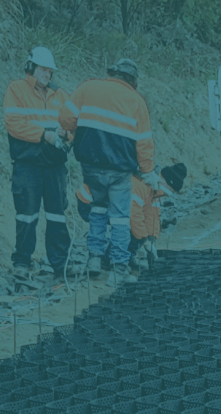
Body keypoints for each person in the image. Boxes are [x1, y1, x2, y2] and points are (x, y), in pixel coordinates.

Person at [64, 59, 156, 286]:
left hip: (91, 167)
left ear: (112, 74)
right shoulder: (136, 101)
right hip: (120, 171)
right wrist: (148, 172)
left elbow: (65, 119)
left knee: (97, 210)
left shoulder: (88, 87)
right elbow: (144, 143)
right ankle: (118, 269)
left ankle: (94, 259)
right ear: (133, 81)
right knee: (120, 219)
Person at [2, 47, 73, 277]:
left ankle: (60, 264)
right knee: (26, 215)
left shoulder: (60, 95)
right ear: (31, 67)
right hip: (28, 162)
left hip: (54, 165)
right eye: (43, 69)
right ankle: (22, 262)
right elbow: (14, 124)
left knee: (56, 215)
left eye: (50, 71)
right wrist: (45, 135)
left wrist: (66, 136)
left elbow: (73, 125)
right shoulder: (16, 90)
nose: (47, 74)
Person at [127, 163, 188, 275]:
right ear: (165, 180)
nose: (166, 194)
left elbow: (152, 216)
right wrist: (145, 241)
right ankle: (114, 262)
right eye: (169, 189)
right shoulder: (140, 183)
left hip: (129, 213)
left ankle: (128, 258)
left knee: (141, 232)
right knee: (131, 229)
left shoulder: (156, 190)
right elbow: (134, 216)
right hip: (107, 209)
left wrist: (151, 239)